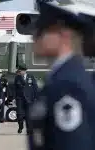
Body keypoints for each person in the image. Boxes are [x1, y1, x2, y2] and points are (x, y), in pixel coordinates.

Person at [28, 3, 95, 150]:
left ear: (63, 35)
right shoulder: (61, 78)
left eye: (40, 31)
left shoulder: (68, 85)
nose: (34, 37)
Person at [14, 64, 38, 134]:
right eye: (20, 71)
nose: (20, 72)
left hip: (29, 99)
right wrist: (14, 98)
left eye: (21, 71)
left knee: (28, 115)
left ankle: (29, 129)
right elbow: (15, 89)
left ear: (24, 71)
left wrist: (36, 97)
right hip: (20, 99)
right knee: (19, 115)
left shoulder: (31, 77)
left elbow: (35, 87)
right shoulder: (17, 78)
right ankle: (20, 126)